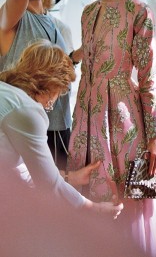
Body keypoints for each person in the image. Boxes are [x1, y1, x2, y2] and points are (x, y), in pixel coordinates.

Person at [67, 0, 156, 256]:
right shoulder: (88, 12)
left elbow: (149, 77)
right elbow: (91, 53)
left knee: (126, 196)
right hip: (86, 113)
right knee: (90, 191)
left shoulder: (140, 12)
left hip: (123, 117)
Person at [0, 0, 81, 171]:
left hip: (59, 122)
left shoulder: (53, 23)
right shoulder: (8, 20)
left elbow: (54, 69)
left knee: (60, 193)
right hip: (24, 127)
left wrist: (80, 55)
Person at [0, 39, 123, 218]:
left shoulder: (6, 90)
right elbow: (49, 186)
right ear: (53, 85)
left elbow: (25, 168)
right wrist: (95, 209)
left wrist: (71, 178)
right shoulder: (27, 110)